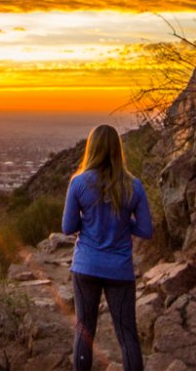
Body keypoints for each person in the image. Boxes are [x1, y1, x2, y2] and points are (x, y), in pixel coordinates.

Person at [62, 124, 152, 371]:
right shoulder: (133, 186)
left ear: (91, 148)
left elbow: (68, 227)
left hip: (86, 266)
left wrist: (90, 222)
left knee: (84, 330)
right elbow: (145, 230)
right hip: (119, 269)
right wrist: (122, 223)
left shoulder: (79, 183)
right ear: (117, 149)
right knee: (127, 334)